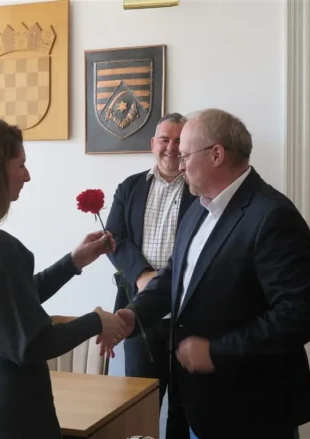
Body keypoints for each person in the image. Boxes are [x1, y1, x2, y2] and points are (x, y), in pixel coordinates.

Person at [102, 109, 310, 439]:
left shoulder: (272, 216)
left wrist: (217, 351)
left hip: (253, 408)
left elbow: (301, 315)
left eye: (185, 155)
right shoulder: (199, 208)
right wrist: (134, 315)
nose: (180, 165)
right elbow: (175, 277)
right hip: (195, 402)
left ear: (216, 155)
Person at [0, 118, 126, 439]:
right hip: (10, 414)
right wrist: (96, 321)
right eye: (20, 165)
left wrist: (73, 262)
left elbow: (9, 307)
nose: (27, 176)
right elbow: (30, 344)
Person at [105, 112, 195, 438]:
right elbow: (114, 239)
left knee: (184, 408)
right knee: (140, 405)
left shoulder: (201, 187)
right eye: (165, 139)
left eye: (178, 141)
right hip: (139, 312)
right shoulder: (129, 187)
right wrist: (142, 275)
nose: (171, 147)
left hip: (188, 314)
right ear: (152, 143)